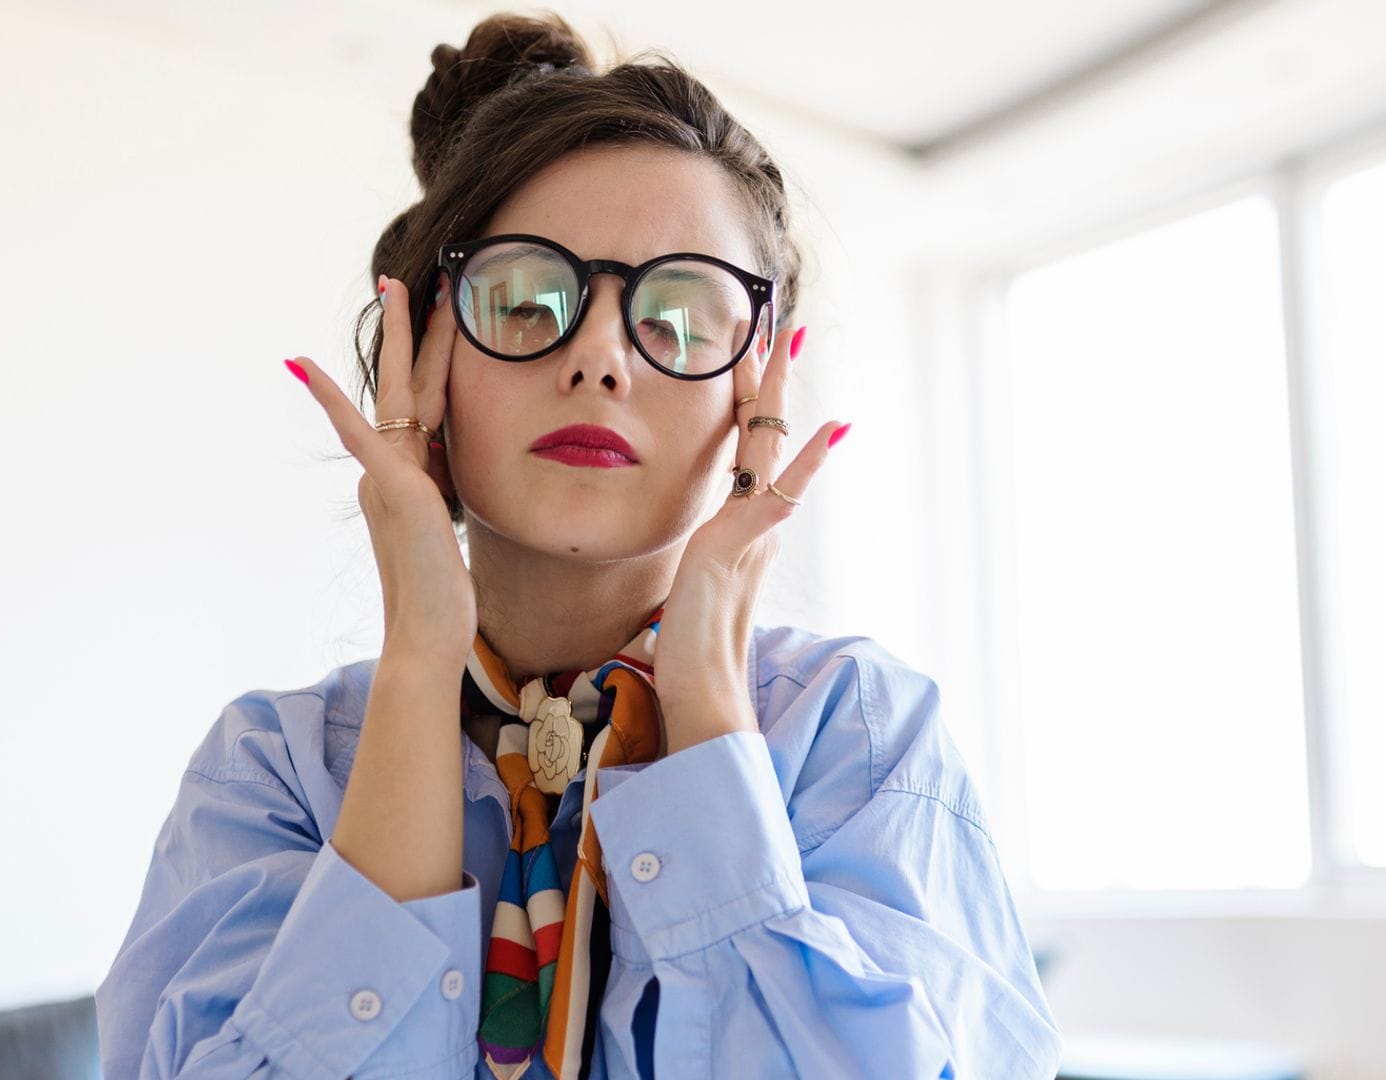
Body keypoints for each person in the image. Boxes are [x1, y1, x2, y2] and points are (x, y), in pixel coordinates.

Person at [95, 11, 1061, 1078]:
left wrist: (702, 701)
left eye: (680, 317)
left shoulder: (859, 741)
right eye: (524, 299)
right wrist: (420, 662)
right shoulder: (271, 774)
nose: (602, 356)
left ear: (756, 392)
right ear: (422, 357)